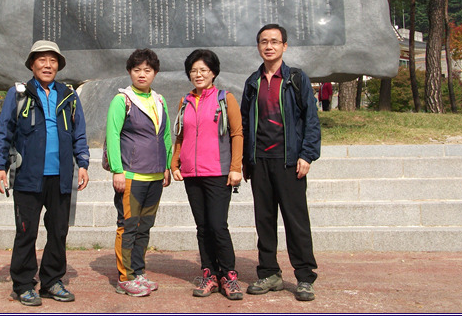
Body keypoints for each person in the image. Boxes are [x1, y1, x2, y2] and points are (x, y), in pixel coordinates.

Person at [0, 40, 90, 307]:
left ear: (58, 66)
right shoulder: (19, 94)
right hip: (27, 176)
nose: (48, 65)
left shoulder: (69, 96)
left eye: (53, 61)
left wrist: (83, 163)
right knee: (26, 232)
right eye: (42, 60)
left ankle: (52, 281)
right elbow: (4, 131)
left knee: (58, 231)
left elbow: (79, 133)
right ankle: (23, 284)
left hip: (61, 176)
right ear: (32, 64)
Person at [240, 24, 321, 302]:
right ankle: (269, 273)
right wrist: (245, 160)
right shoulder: (253, 82)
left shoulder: (296, 78)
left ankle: (305, 277)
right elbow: (245, 122)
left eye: (275, 41)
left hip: (289, 162)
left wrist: (307, 155)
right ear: (258, 47)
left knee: (296, 221)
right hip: (260, 161)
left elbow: (311, 119)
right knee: (264, 221)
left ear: (284, 46)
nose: (269, 46)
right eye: (264, 41)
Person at [171, 49, 244, 300]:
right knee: (202, 227)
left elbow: (237, 133)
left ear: (213, 72)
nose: (198, 74)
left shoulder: (225, 98)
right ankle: (209, 274)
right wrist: (175, 163)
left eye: (203, 70)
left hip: (218, 172)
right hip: (192, 174)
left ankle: (229, 275)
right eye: (193, 70)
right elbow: (180, 134)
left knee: (217, 226)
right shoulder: (185, 101)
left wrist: (236, 168)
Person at [105, 48, 172, 297]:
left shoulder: (160, 100)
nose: (142, 74)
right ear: (129, 72)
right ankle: (126, 277)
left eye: (147, 70)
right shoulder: (122, 100)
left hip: (155, 175)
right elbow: (112, 135)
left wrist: (166, 166)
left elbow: (166, 134)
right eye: (137, 70)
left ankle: (139, 271)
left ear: (155, 73)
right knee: (128, 226)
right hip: (131, 176)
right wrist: (117, 170)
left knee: (144, 227)